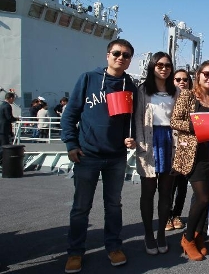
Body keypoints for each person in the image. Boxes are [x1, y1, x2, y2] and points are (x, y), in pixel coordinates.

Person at [61, 38, 137, 273]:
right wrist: (71, 144)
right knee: (81, 207)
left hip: (116, 156)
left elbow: (129, 121)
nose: (120, 58)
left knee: (113, 205)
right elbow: (70, 114)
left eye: (125, 55)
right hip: (88, 155)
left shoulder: (129, 85)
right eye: (116, 53)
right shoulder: (88, 78)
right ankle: (75, 252)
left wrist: (129, 137)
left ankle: (113, 246)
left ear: (129, 60)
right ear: (107, 55)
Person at [171, 60, 209, 261]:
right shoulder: (187, 95)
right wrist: (198, 125)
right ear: (199, 75)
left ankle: (197, 235)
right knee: (202, 198)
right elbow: (175, 121)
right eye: (206, 74)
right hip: (193, 155)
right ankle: (186, 238)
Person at [135, 52, 179, 255]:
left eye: (168, 65)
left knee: (166, 192)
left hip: (170, 142)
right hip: (149, 141)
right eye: (160, 65)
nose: (164, 68)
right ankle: (148, 234)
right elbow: (134, 119)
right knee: (148, 191)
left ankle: (161, 232)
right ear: (152, 66)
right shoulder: (143, 91)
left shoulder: (176, 91)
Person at [165, 69, 192, 232]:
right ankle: (167, 216)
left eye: (185, 79)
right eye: (178, 79)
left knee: (182, 185)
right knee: (169, 185)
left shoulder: (192, 98)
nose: (182, 82)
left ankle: (176, 215)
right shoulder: (167, 98)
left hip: (186, 147)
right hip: (169, 146)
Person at [0, 92, 19, 164]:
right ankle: (3, 162)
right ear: (10, 98)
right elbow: (9, 117)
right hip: (4, 129)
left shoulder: (1, 105)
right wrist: (16, 119)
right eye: (13, 98)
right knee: (4, 146)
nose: (13, 100)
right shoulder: (7, 106)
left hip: (1, 129)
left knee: (1, 145)